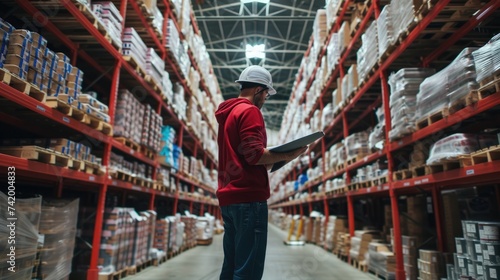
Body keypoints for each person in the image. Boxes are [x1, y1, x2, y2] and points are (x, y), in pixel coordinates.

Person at [215, 65, 308, 280]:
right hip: (249, 199)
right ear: (258, 90)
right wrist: (290, 154)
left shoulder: (229, 114)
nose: (266, 98)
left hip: (230, 200)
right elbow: (255, 155)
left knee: (231, 266)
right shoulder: (249, 111)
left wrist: (276, 160)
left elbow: (247, 158)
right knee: (248, 270)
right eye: (266, 93)